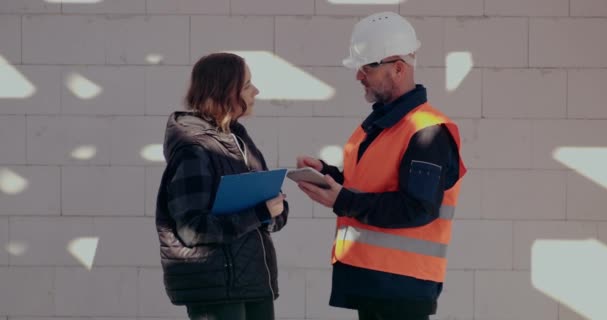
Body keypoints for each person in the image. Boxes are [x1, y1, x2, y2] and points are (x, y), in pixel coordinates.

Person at [296, 12, 466, 320]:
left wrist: (343, 200)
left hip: (401, 291)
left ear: (398, 68)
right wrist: (329, 176)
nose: (358, 76)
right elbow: (372, 184)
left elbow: (417, 207)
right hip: (376, 284)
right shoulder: (383, 126)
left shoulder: (427, 131)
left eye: (366, 68)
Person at [155, 52, 288, 320]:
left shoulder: (239, 141)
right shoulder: (193, 150)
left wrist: (275, 211)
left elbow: (271, 214)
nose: (256, 91)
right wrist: (261, 213)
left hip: (252, 283)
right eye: (248, 85)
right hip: (216, 289)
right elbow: (193, 229)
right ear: (226, 91)